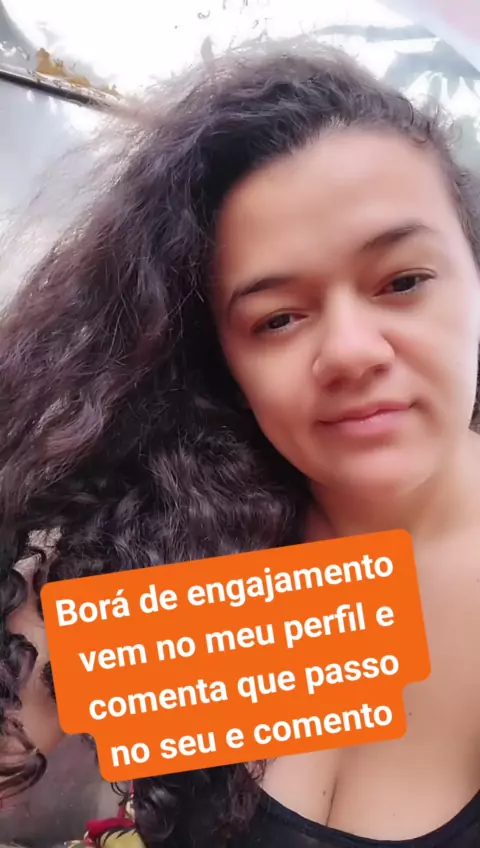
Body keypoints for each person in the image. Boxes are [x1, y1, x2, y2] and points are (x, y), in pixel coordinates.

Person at [1, 38, 480, 848]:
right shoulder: (190, 537)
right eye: (278, 318)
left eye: (402, 281)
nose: (351, 351)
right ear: (221, 358)